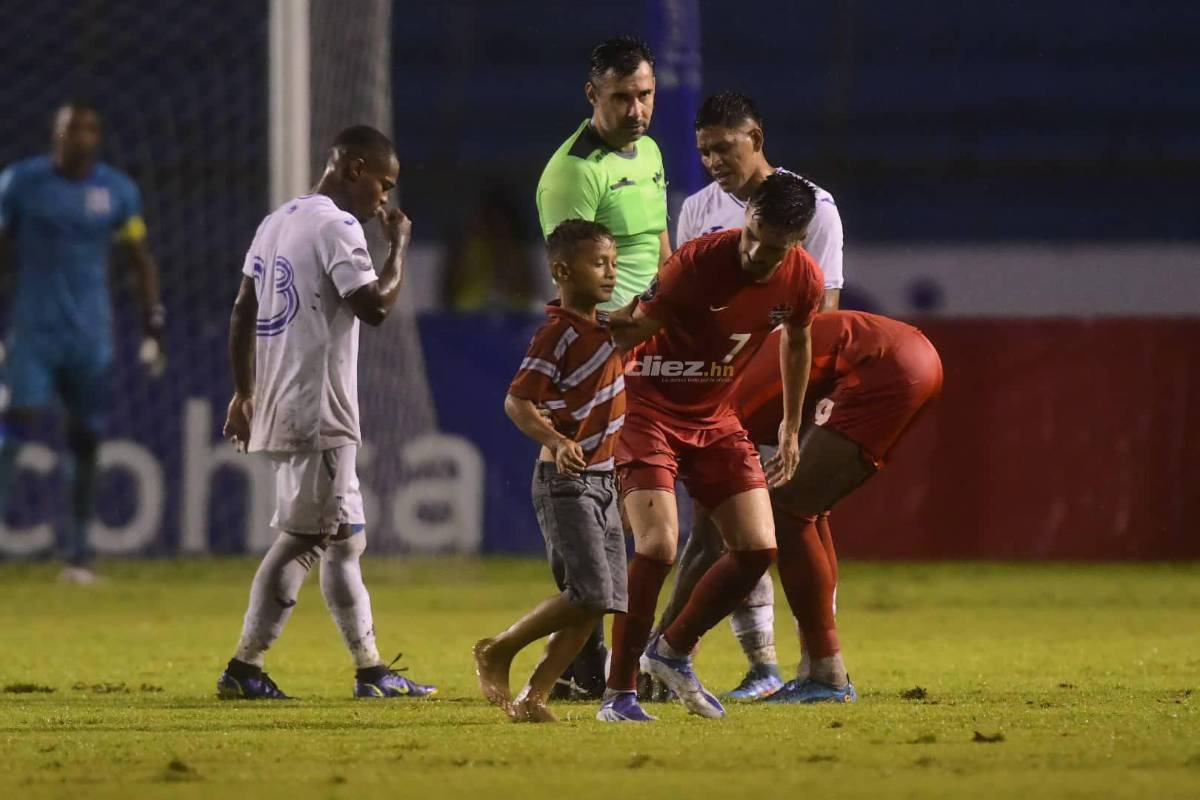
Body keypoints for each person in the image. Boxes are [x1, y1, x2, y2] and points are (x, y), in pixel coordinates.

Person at [217, 125, 436, 700]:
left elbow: (243, 311)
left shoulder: (277, 220)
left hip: (285, 397)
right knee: (306, 537)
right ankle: (245, 668)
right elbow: (375, 307)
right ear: (356, 167)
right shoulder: (337, 226)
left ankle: (371, 671)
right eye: (383, 185)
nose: (384, 200)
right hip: (319, 408)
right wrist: (399, 247)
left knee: (345, 539)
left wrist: (245, 392)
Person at [597, 171, 824, 722]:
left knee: (757, 548)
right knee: (657, 547)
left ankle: (670, 651)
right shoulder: (696, 263)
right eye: (753, 233)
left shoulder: (803, 280)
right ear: (747, 216)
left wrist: (791, 428)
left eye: (774, 247)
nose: (756, 252)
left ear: (796, 242)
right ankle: (619, 693)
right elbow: (630, 332)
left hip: (716, 418)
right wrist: (584, 320)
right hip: (647, 408)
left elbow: (798, 339)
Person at [656, 311, 944, 703]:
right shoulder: (717, 378)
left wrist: (659, 646)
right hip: (906, 354)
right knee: (805, 509)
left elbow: (709, 545)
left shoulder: (703, 418)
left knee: (786, 512)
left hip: (881, 366)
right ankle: (818, 668)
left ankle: (826, 674)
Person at [665, 91, 847, 699]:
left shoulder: (814, 208)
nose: (714, 159)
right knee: (718, 529)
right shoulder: (698, 209)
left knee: (776, 524)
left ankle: (665, 655)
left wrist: (798, 405)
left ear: (757, 137)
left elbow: (819, 315)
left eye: (725, 146)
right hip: (715, 391)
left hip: (779, 388)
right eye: (705, 151)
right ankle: (762, 664)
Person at [535, 34, 670, 699]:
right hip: (605, 354)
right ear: (593, 96)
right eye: (622, 97)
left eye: (645, 94)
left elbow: (661, 248)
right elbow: (574, 284)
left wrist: (670, 311)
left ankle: (625, 663)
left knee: (631, 514)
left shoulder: (648, 151)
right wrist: (623, 333)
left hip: (653, 343)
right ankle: (582, 669)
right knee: (589, 510)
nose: (638, 109)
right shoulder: (573, 173)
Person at [0, 100, 166, 584]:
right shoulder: (20, 183)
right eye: (72, 129)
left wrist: (153, 323)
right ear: (55, 134)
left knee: (86, 439)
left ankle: (78, 554)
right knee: (15, 427)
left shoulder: (117, 192)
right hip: (33, 332)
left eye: (89, 130)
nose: (81, 137)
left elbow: (140, 258)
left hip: (92, 335)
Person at [472, 219, 628, 723]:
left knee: (593, 602)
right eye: (597, 263)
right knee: (591, 593)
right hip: (567, 483)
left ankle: (533, 697)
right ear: (562, 270)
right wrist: (557, 440)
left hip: (605, 480)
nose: (609, 272)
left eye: (612, 262)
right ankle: (498, 650)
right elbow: (518, 402)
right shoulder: (557, 333)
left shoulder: (605, 328)